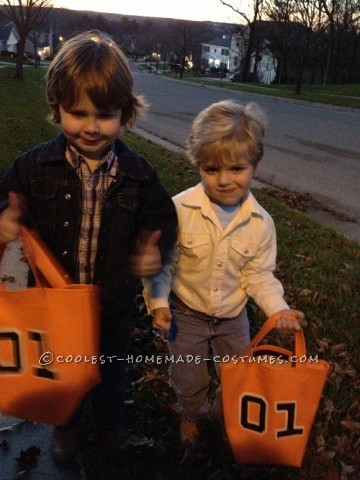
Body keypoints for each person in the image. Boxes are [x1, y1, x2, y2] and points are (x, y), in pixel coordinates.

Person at [0, 31, 177, 464]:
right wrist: (6, 213)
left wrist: (154, 247)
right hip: (58, 301)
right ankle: (67, 426)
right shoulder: (35, 165)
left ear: (126, 113)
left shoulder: (137, 173)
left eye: (105, 114)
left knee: (112, 373)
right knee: (67, 372)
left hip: (111, 301)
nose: (92, 126)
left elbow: (162, 219)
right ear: (56, 108)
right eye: (77, 113)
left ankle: (112, 428)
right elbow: (7, 194)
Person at [142, 99, 304, 445]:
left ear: (254, 165)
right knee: (187, 375)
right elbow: (164, 261)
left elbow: (259, 274)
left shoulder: (261, 224)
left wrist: (278, 310)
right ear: (198, 164)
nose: (224, 180)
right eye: (212, 169)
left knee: (237, 374)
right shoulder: (180, 209)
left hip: (233, 316)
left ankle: (223, 413)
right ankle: (191, 414)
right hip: (186, 314)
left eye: (236, 169)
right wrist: (158, 302)